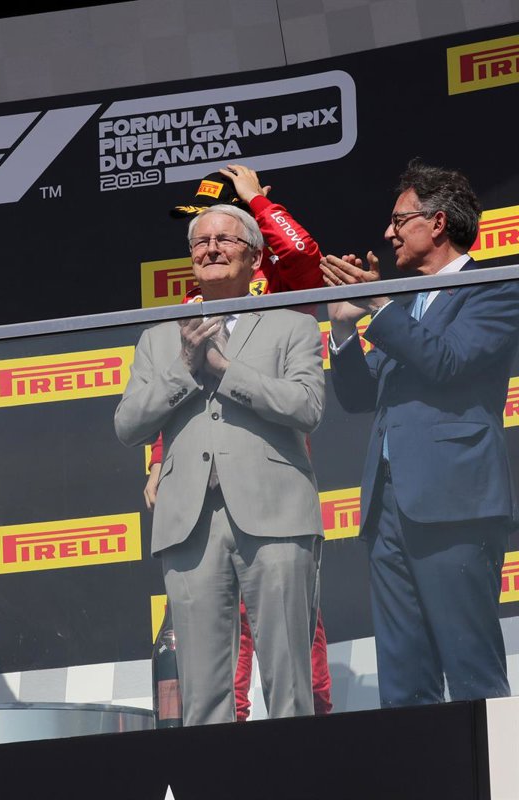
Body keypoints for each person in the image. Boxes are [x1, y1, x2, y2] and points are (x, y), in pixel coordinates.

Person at [114, 204, 325, 726]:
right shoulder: (158, 336)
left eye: (225, 240)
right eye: (200, 242)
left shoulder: (292, 323)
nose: (210, 249)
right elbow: (128, 424)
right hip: (189, 523)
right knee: (203, 696)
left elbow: (307, 408)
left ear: (255, 257)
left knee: (290, 685)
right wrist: (186, 369)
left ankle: (301, 769)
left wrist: (226, 370)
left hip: (276, 517)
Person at [324, 159, 519, 707]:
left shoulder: (494, 287)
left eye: (398, 220)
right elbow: (360, 397)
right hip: (388, 508)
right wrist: (342, 328)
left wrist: (380, 304)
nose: (388, 234)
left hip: (456, 503)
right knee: (404, 681)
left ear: (436, 223)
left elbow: (447, 361)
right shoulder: (405, 305)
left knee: (471, 669)